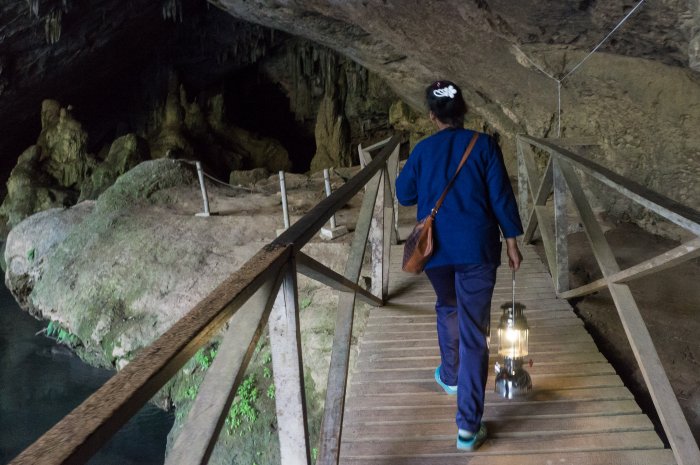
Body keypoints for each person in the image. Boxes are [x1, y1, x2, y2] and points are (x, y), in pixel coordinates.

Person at [395, 80, 523, 451]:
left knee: (447, 306)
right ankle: (467, 426)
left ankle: (450, 375)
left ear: (432, 116)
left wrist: (426, 174)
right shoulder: (483, 145)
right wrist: (512, 241)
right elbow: (501, 196)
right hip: (478, 251)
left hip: (435, 252)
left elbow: (404, 194)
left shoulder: (422, 150)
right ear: (464, 111)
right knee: (473, 331)